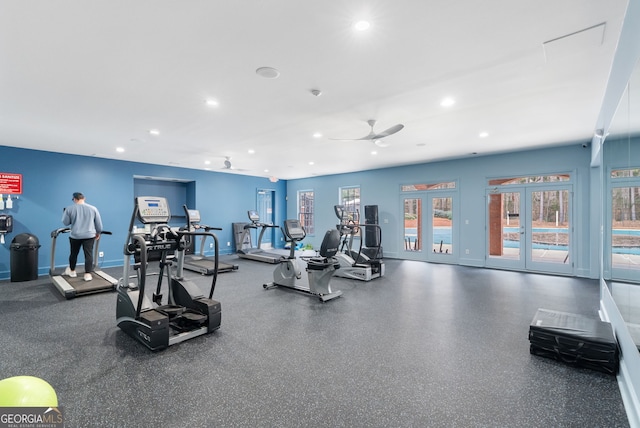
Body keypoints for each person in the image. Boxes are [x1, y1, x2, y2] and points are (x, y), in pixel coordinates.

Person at [61, 192, 103, 281]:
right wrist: (98, 233)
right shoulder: (93, 208)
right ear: (84, 198)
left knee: (73, 253)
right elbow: (99, 224)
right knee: (88, 254)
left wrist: (66, 213)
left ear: (75, 199)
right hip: (89, 235)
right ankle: (87, 274)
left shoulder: (69, 209)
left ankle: (72, 271)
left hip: (75, 236)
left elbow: (66, 223)